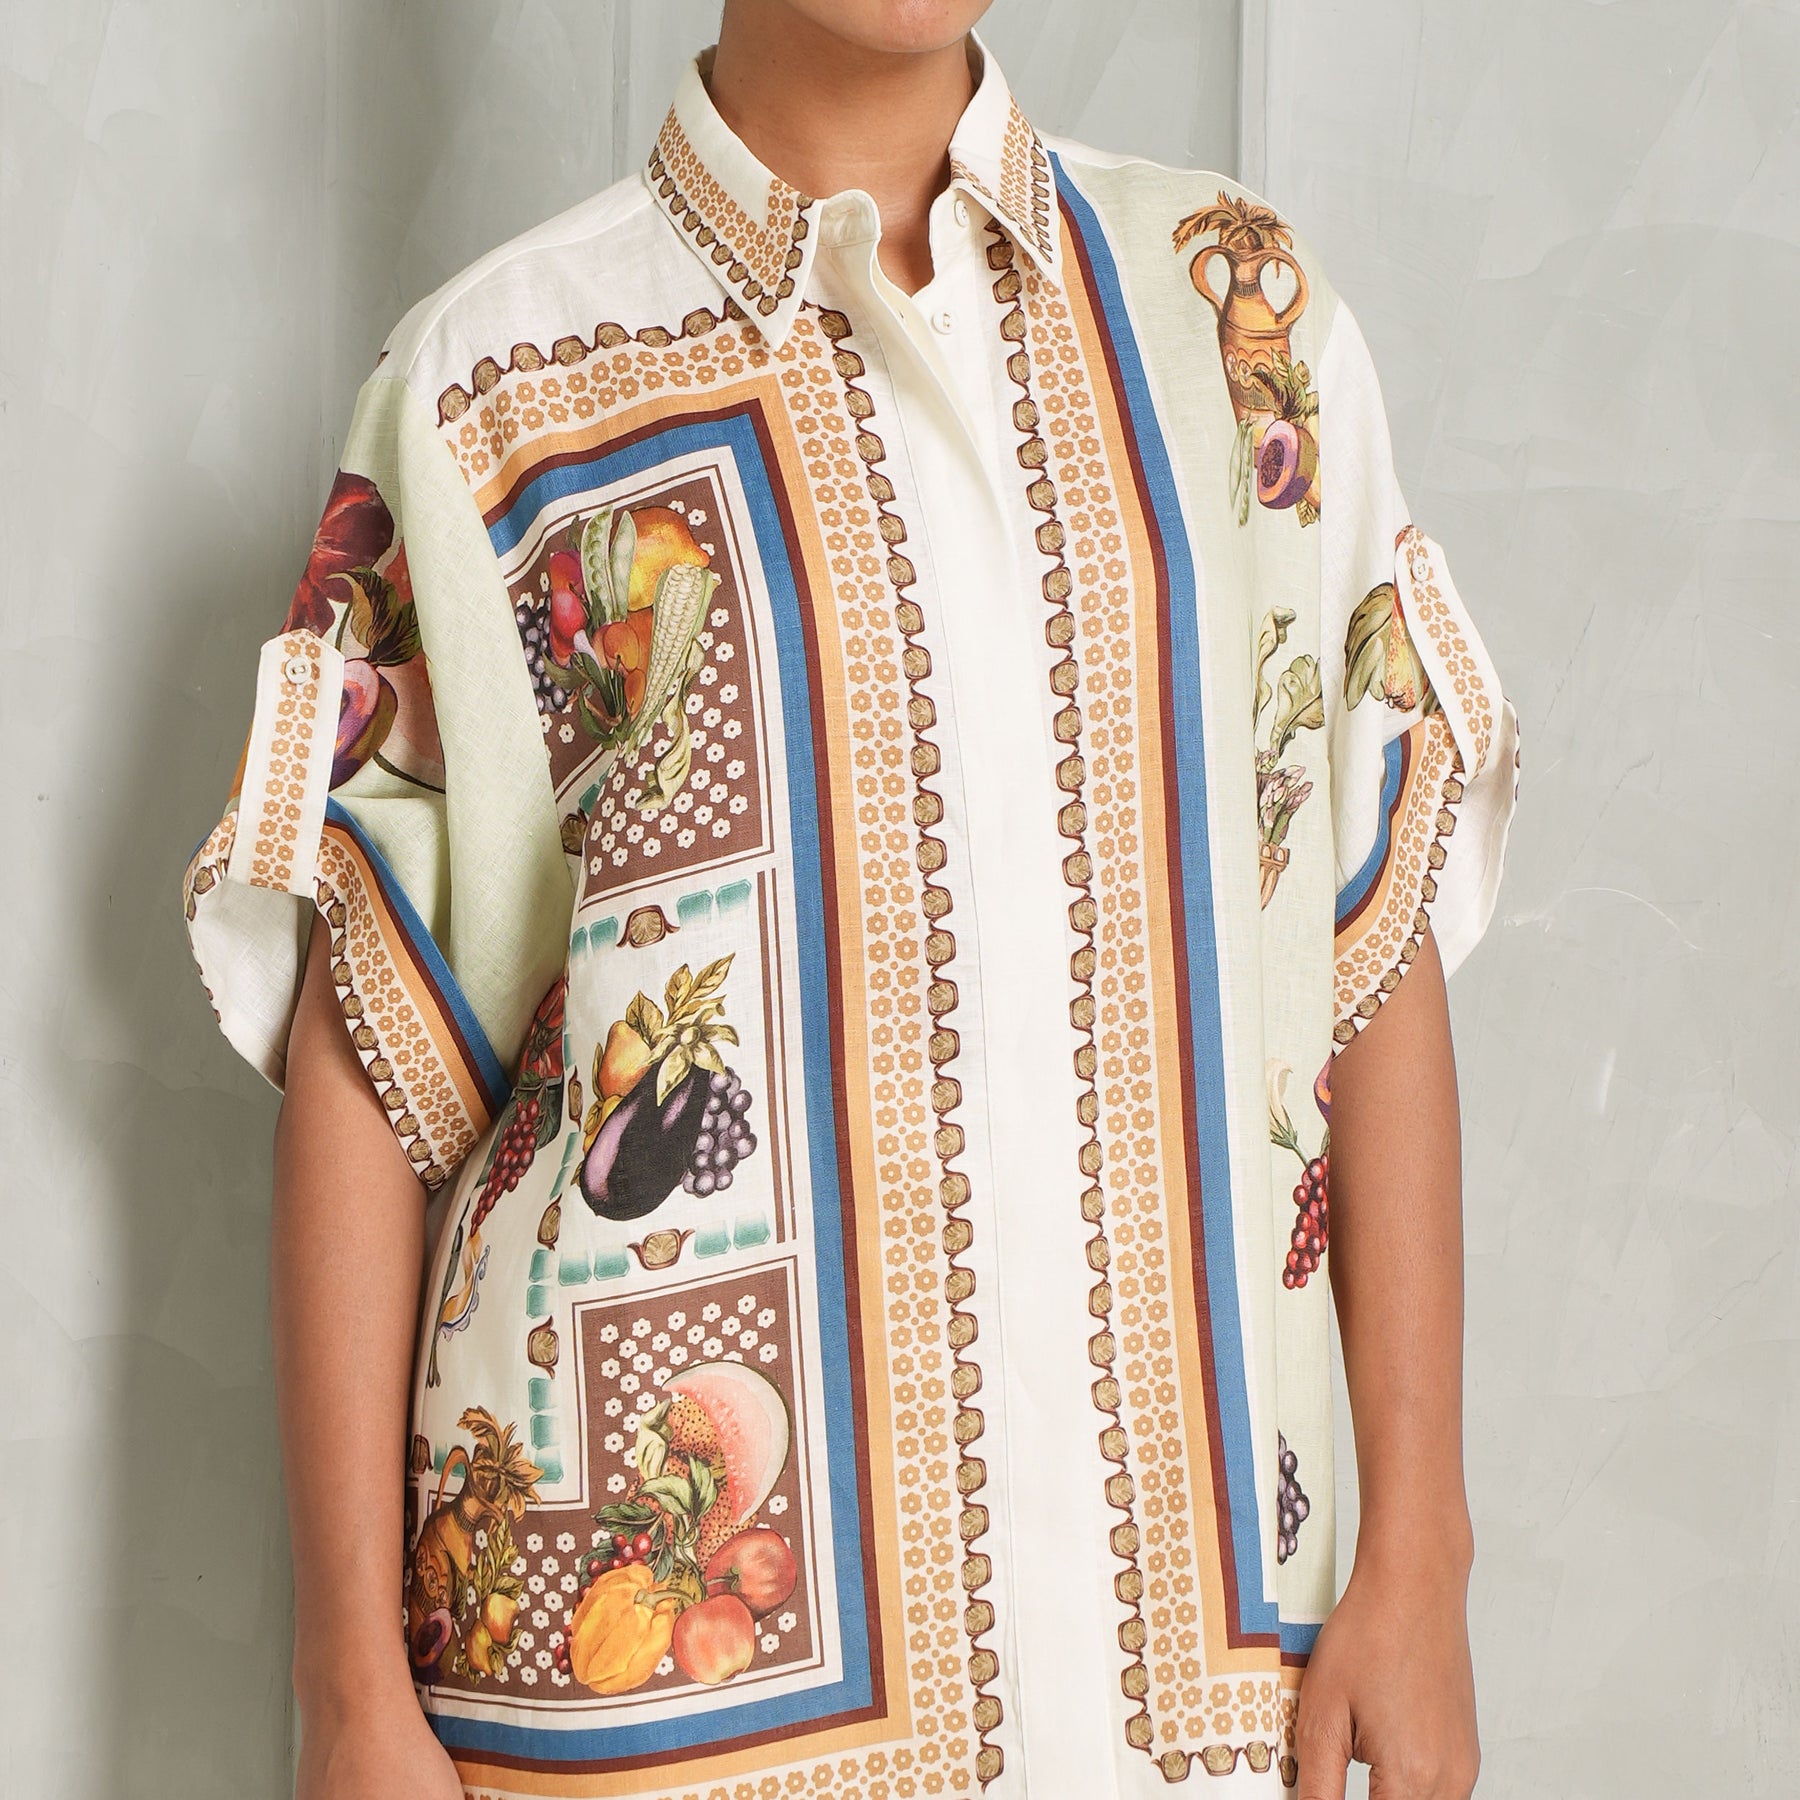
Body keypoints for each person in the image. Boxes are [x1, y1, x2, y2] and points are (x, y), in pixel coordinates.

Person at [180, 2, 1519, 1796]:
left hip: (1188, 1692)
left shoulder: (1235, 316)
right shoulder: (492, 387)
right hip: (661, 1712)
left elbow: (1361, 929)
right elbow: (378, 1044)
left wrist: (1421, 1549)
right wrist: (349, 1687)